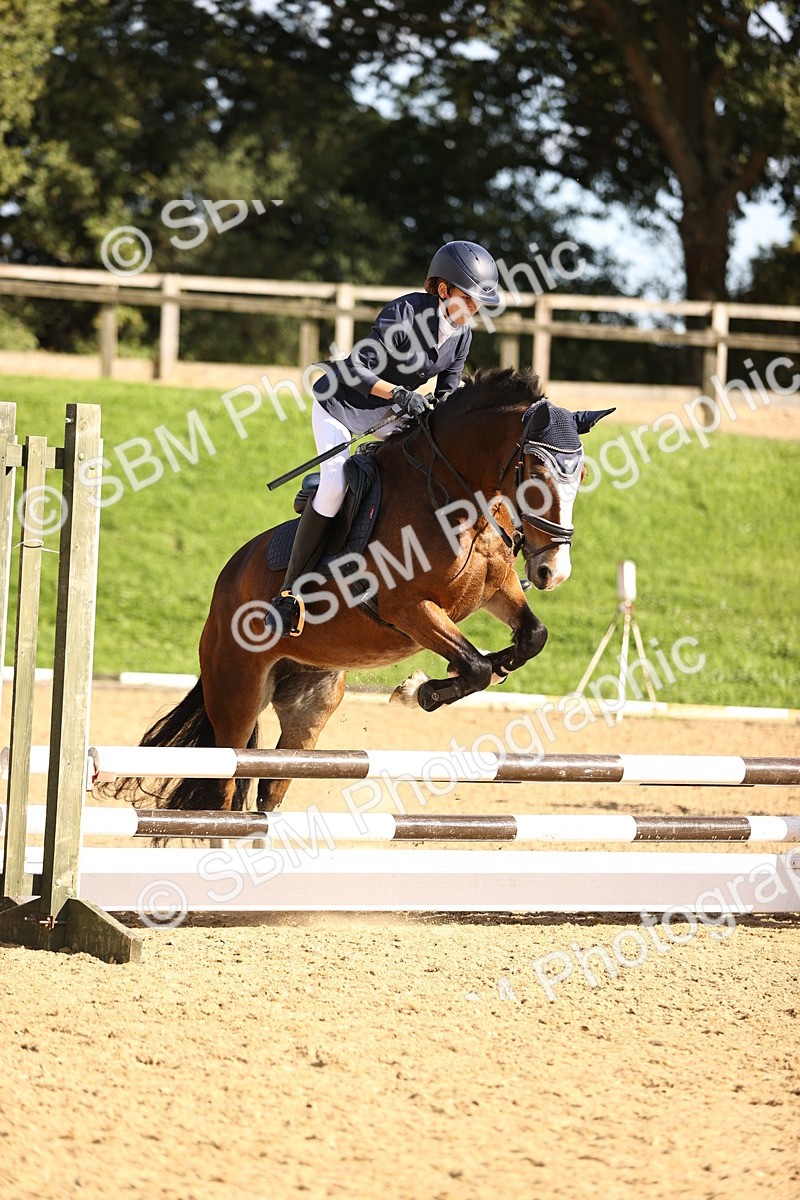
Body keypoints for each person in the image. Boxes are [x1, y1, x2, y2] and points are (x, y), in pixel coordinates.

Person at [266, 239, 501, 637]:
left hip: (392, 414)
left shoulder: (462, 336)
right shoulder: (405, 312)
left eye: (479, 303)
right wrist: (398, 394)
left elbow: (446, 394)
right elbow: (357, 369)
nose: (474, 309)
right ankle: (289, 594)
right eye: (468, 299)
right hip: (342, 406)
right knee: (335, 485)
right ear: (443, 290)